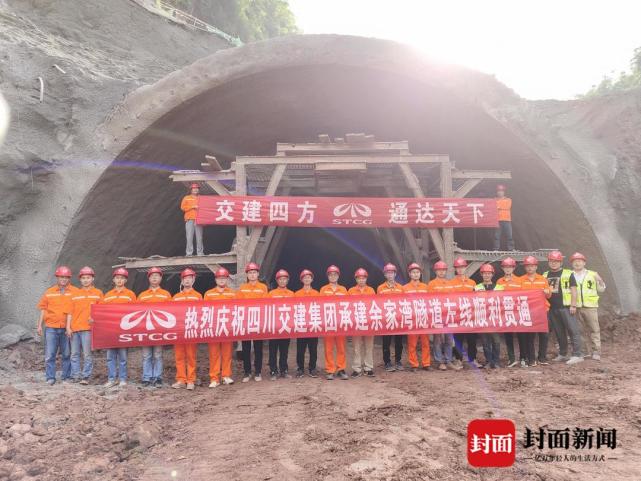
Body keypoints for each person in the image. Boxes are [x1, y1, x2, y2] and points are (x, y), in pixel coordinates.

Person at [543, 250, 584, 365]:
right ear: (549, 262)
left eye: (556, 261)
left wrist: (573, 305)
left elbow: (574, 290)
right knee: (559, 332)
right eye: (552, 261)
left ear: (560, 262)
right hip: (552, 308)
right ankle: (563, 353)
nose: (554, 263)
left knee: (573, 330)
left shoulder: (568, 273)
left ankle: (577, 354)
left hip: (566, 307)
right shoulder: (545, 275)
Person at [37, 266, 75, 385]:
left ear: (69, 278)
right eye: (61, 277)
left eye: (66, 277)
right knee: (50, 354)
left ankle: (66, 377)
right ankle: (50, 377)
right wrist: (39, 325)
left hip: (67, 328)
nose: (63, 279)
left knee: (67, 354)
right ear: (57, 277)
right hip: (51, 327)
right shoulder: (49, 292)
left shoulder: (75, 292)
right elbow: (43, 309)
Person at [101, 268, 136, 388]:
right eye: (117, 278)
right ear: (113, 279)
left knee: (123, 357)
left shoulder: (130, 295)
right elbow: (102, 312)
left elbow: (135, 313)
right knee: (110, 357)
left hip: (124, 331)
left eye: (122, 278)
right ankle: (111, 379)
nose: (119, 280)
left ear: (125, 280)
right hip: (110, 331)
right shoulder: (108, 295)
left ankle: (122, 379)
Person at [138, 267, 171, 387]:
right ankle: (146, 377)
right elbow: (136, 312)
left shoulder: (166, 295)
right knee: (146, 355)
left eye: (157, 275)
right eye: (152, 276)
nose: (154, 278)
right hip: (145, 330)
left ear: (161, 278)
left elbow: (171, 313)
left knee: (157, 355)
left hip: (159, 330)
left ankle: (157, 377)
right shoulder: (142, 295)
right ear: (149, 278)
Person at [68, 266, 102, 384]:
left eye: (88, 277)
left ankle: (86, 377)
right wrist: (68, 327)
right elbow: (70, 312)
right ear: (80, 280)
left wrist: (95, 320)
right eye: (83, 278)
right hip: (75, 328)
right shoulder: (75, 294)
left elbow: (102, 312)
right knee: (74, 354)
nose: (86, 280)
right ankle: (76, 375)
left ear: (92, 279)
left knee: (87, 354)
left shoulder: (98, 293)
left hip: (88, 329)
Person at [570, 252, 606, 360]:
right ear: (572, 263)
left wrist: (600, 281)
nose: (577, 263)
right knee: (579, 330)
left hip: (590, 306)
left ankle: (596, 351)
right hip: (576, 306)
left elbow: (601, 289)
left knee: (594, 329)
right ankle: (584, 351)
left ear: (584, 263)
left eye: (580, 261)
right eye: (575, 261)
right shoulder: (569, 275)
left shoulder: (592, 274)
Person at [204, 267, 236, 387]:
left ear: (227, 279)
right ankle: (214, 378)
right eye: (219, 278)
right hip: (213, 328)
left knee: (227, 353)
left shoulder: (232, 294)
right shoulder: (209, 294)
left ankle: (226, 375)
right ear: (216, 279)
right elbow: (204, 311)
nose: (222, 280)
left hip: (227, 328)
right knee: (214, 354)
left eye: (224, 278)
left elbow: (235, 310)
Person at [172, 268, 202, 391]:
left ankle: (191, 380)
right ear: (182, 281)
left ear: (193, 280)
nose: (187, 280)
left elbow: (202, 313)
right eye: (185, 278)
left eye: (189, 278)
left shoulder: (198, 296)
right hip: (179, 330)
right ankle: (180, 379)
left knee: (191, 356)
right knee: (179, 356)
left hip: (191, 330)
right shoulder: (176, 297)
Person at [427, 261, 461, 371]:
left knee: (449, 339)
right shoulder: (431, 284)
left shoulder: (450, 284)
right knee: (437, 340)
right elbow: (429, 300)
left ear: (445, 271)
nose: (441, 272)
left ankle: (448, 360)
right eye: (439, 270)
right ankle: (439, 361)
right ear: (436, 271)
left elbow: (454, 299)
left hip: (448, 315)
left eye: (443, 270)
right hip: (437, 315)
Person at [238, 262, 268, 382]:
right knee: (246, 348)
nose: (252, 275)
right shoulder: (242, 288)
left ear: (258, 274)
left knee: (258, 348)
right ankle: (247, 372)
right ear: (247, 275)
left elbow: (266, 304)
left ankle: (258, 371)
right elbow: (238, 305)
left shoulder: (263, 288)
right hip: (246, 322)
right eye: (250, 273)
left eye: (254, 272)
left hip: (258, 322)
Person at [519, 256, 552, 366]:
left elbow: (549, 295)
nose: (530, 268)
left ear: (536, 267)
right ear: (525, 267)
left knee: (544, 335)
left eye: (532, 266)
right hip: (528, 311)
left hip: (543, 310)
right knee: (530, 336)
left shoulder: (543, 279)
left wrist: (547, 291)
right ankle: (531, 359)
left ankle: (542, 357)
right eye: (528, 266)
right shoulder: (520, 280)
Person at [319, 265, 349, 380]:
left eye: (335, 274)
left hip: (340, 323)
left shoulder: (343, 289)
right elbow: (320, 306)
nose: (333, 276)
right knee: (329, 348)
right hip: (328, 323)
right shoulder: (323, 289)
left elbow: (348, 306)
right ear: (328, 276)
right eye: (331, 274)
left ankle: (341, 369)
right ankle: (330, 370)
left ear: (338, 276)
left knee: (341, 348)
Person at [449, 257, 480, 368]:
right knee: (458, 339)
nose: (460, 269)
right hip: (458, 315)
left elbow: (476, 298)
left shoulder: (472, 282)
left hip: (470, 315)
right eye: (458, 268)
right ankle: (458, 359)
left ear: (465, 268)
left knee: (472, 339)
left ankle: (473, 359)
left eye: (462, 267)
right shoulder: (451, 283)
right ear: (456, 269)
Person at [474, 264, 504, 369]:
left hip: (494, 319)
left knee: (496, 341)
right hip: (482, 319)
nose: (486, 275)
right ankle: (488, 361)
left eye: (489, 273)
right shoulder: (477, 288)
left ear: (492, 274)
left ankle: (495, 361)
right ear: (481, 275)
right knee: (485, 342)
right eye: (484, 273)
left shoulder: (499, 288)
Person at [496, 257, 525, 367]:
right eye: (505, 267)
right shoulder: (499, 281)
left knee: (521, 336)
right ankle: (512, 358)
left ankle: (523, 358)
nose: (507, 269)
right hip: (506, 313)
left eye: (510, 267)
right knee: (508, 336)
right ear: (502, 268)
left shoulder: (520, 280)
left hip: (517, 312)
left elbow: (525, 296)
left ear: (514, 268)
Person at [377, 263, 405, 372]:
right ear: (385, 275)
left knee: (399, 341)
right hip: (386, 319)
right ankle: (387, 362)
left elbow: (404, 302)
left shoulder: (400, 288)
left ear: (395, 274)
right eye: (388, 273)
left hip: (398, 319)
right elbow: (378, 304)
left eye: (392, 273)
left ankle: (398, 361)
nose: (390, 275)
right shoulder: (380, 288)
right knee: (386, 342)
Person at [403, 262, 431, 372]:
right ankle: (414, 364)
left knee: (425, 343)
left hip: (423, 318)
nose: (415, 274)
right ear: (410, 274)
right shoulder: (404, 288)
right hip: (412, 319)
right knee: (412, 343)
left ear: (420, 274)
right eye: (413, 272)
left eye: (417, 272)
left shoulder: (426, 287)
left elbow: (430, 302)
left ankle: (426, 363)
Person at [268, 270, 295, 380]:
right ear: (277, 281)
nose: (282, 281)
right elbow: (266, 309)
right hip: (274, 327)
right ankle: (273, 371)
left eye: (284, 279)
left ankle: (284, 370)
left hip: (286, 326)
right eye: (280, 279)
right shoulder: (271, 294)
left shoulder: (291, 294)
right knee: (273, 350)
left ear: (287, 280)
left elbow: (294, 309)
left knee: (284, 350)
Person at [349, 268, 376, 377]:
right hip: (356, 323)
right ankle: (357, 368)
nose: (361, 280)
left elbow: (375, 306)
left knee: (369, 346)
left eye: (363, 278)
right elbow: (347, 307)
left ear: (366, 279)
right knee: (356, 347)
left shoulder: (371, 290)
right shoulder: (350, 291)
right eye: (359, 278)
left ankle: (368, 367)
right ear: (356, 279)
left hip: (368, 323)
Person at [294, 269, 320, 378]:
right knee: (300, 349)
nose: (307, 279)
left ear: (312, 279)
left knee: (313, 349)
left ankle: (312, 368)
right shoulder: (297, 294)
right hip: (301, 325)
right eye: (305, 277)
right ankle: (300, 368)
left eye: (309, 277)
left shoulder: (317, 293)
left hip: (313, 324)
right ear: (301, 280)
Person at [181, 183, 204, 256]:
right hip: (189, 219)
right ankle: (189, 253)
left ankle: (200, 253)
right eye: (194, 188)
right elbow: (183, 208)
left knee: (199, 237)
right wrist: (192, 206)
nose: (195, 189)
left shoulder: (201, 198)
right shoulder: (186, 198)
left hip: (199, 220)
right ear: (191, 190)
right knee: (189, 237)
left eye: (197, 188)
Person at [493, 184, 514, 251]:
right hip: (498, 220)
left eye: (501, 191)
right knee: (497, 236)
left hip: (507, 220)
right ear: (497, 192)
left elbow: (507, 207)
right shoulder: (494, 200)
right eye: (498, 191)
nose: (500, 192)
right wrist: (499, 206)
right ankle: (496, 249)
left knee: (509, 236)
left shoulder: (508, 200)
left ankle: (511, 249)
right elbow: (493, 207)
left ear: (504, 192)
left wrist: (498, 206)